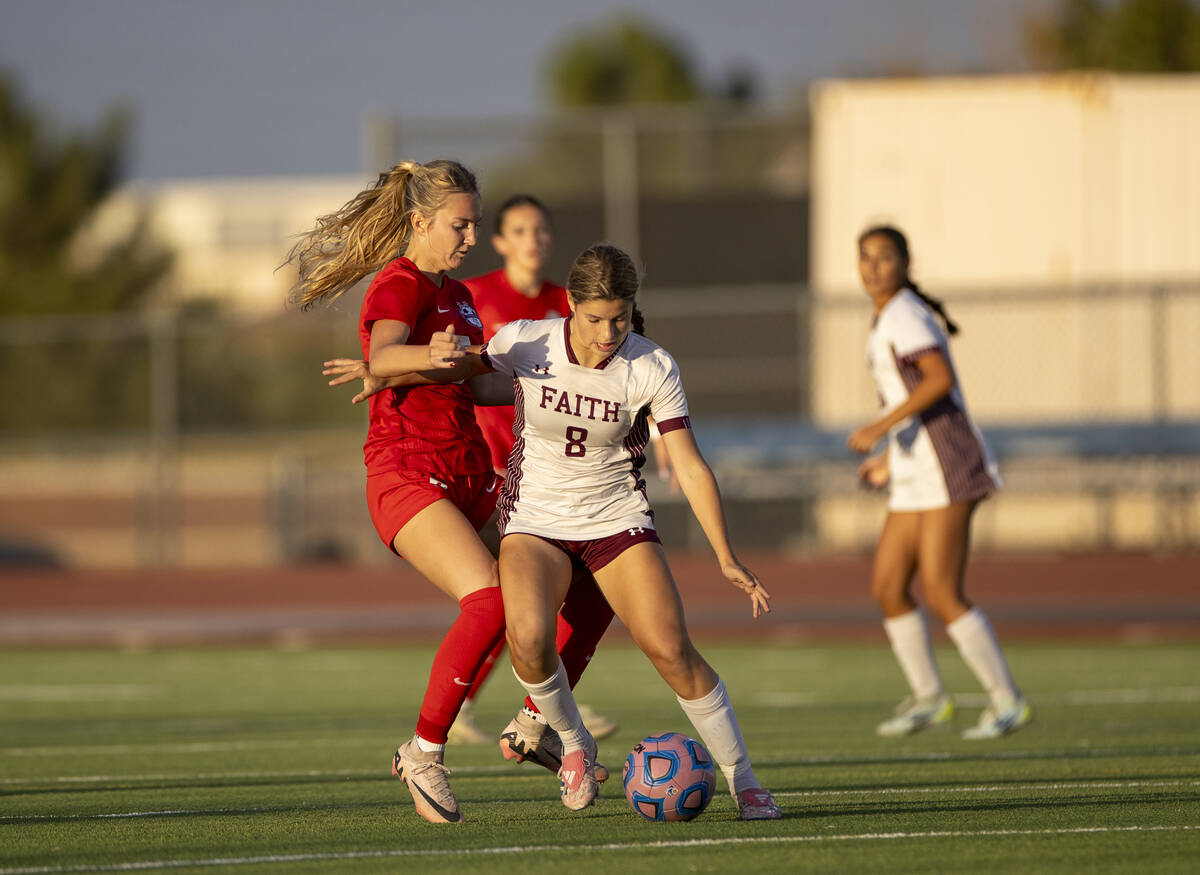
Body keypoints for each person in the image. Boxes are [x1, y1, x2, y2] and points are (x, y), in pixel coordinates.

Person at [405, 243, 782, 819]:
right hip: (535, 520)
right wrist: (384, 366)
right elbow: (465, 379)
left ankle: (745, 780)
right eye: (595, 318)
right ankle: (573, 743)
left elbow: (688, 463)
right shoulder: (525, 340)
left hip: (617, 522)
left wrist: (726, 556)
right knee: (527, 639)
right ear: (571, 305)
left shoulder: (652, 365)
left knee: (671, 649)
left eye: (620, 319)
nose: (608, 334)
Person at [292, 159, 611, 824]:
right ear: (419, 221)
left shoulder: (459, 296)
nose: (469, 236)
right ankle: (423, 750)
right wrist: (420, 358)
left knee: (591, 575)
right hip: (407, 474)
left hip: (469, 471)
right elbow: (383, 353)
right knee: (491, 598)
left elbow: (481, 383)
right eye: (459, 226)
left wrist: (564, 381)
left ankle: (536, 722)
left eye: (474, 225)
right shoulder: (399, 282)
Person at [847, 225, 1031, 740]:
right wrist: (888, 457)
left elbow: (938, 380)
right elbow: (910, 392)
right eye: (865, 257)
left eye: (884, 257)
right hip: (913, 470)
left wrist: (879, 428)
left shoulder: (903, 311)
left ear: (905, 263)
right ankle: (930, 698)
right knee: (888, 586)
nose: (873, 266)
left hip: (948, 464)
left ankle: (1007, 701)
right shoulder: (886, 315)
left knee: (943, 592)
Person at [448, 194, 616, 744]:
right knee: (512, 595)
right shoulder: (475, 295)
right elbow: (466, 374)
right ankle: (517, 704)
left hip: (554, 472)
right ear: (500, 241)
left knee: (558, 594)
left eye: (541, 229)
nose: (534, 239)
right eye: (520, 230)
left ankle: (547, 703)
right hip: (496, 468)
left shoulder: (563, 304)